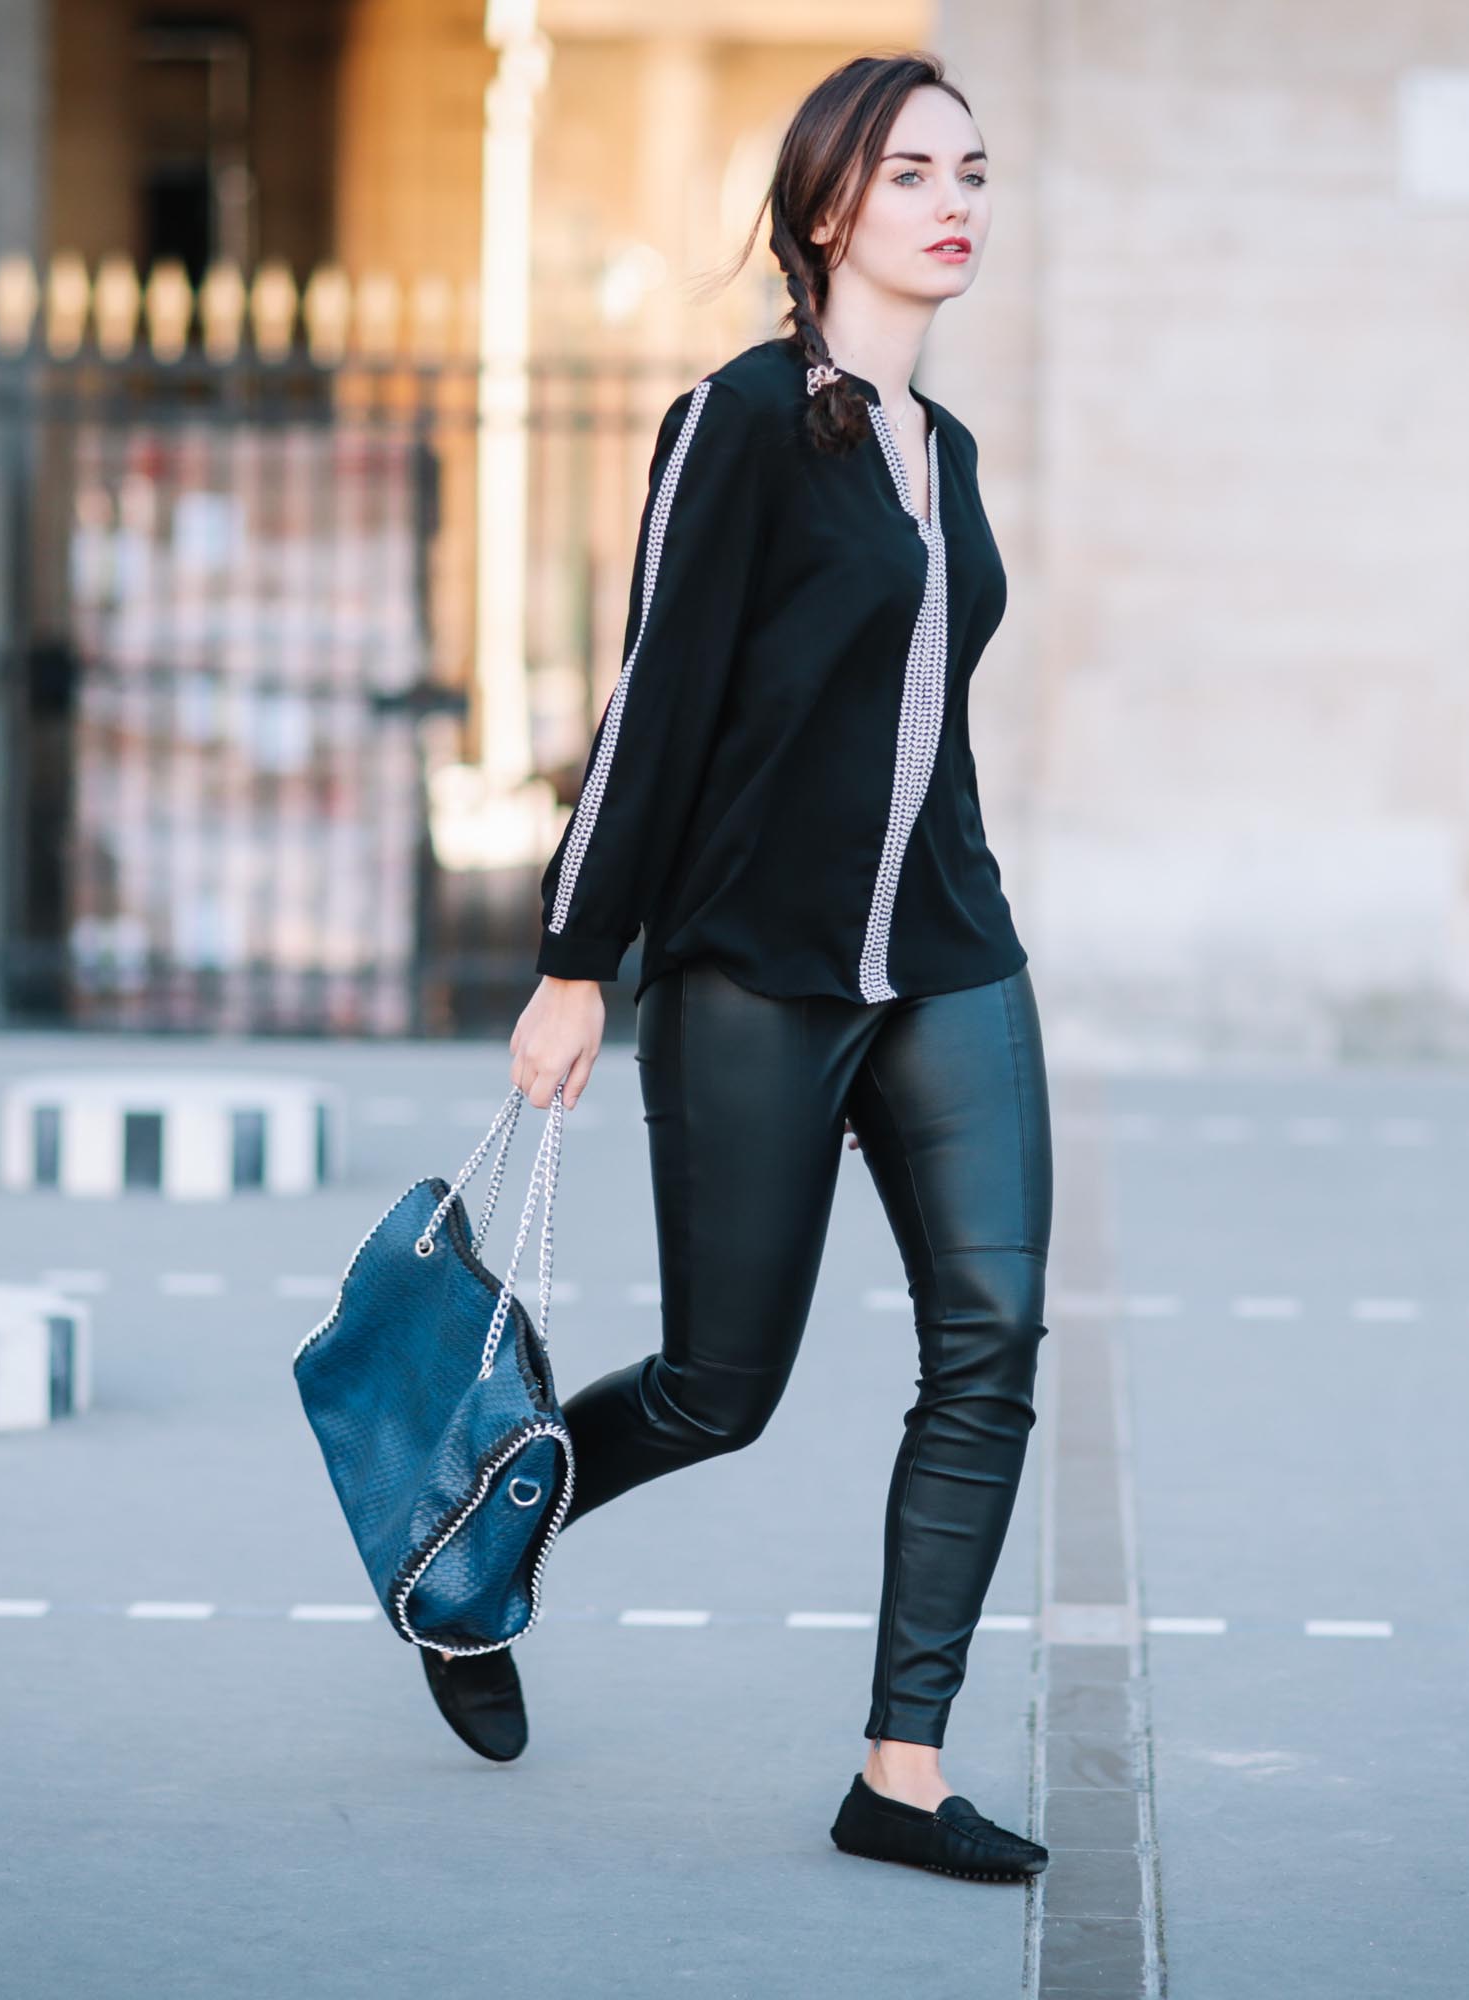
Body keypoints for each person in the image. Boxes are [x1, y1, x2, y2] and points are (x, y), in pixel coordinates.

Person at [431, 50, 1053, 1887]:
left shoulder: (946, 455)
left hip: (947, 954)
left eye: (978, 167)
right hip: (751, 971)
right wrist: (574, 961)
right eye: (915, 169)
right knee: (723, 1386)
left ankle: (901, 1776)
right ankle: (473, 1549)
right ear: (827, 208)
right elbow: (655, 703)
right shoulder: (744, 420)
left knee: (994, 1343)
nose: (958, 199)